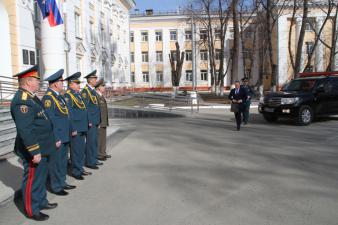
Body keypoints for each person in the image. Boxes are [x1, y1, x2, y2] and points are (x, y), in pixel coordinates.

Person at [10, 65, 57, 221]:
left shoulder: (32, 97)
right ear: (28, 82)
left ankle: (41, 201)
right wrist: (34, 151)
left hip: (43, 146)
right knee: (32, 180)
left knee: (40, 177)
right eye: (37, 80)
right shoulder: (22, 100)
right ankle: (32, 210)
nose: (39, 83)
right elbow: (26, 130)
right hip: (33, 149)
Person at [42, 69, 75, 196]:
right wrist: (55, 138)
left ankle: (62, 182)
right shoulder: (48, 98)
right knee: (55, 163)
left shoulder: (58, 97)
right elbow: (50, 120)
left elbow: (65, 116)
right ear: (55, 84)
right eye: (61, 82)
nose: (63, 84)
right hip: (58, 136)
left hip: (64, 135)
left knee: (62, 161)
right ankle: (56, 186)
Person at [64, 72, 92, 180]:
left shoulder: (77, 95)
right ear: (71, 84)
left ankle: (80, 168)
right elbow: (69, 113)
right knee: (75, 151)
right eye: (76, 83)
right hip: (76, 127)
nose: (78, 85)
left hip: (82, 126)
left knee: (80, 150)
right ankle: (76, 171)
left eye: (78, 83)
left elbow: (83, 109)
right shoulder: (68, 95)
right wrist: (73, 128)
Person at [81, 70, 102, 169]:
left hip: (95, 120)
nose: (96, 80)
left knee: (94, 142)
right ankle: (90, 161)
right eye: (94, 79)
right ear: (90, 80)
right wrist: (88, 121)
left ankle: (94, 159)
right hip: (90, 122)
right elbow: (85, 108)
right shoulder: (85, 92)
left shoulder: (92, 91)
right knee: (90, 142)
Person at [95, 79, 111, 161]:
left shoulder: (101, 96)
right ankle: (99, 154)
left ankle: (103, 153)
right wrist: (97, 122)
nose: (104, 87)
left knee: (103, 138)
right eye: (103, 86)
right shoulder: (96, 96)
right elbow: (96, 110)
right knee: (99, 138)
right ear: (98, 88)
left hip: (104, 120)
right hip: (100, 121)